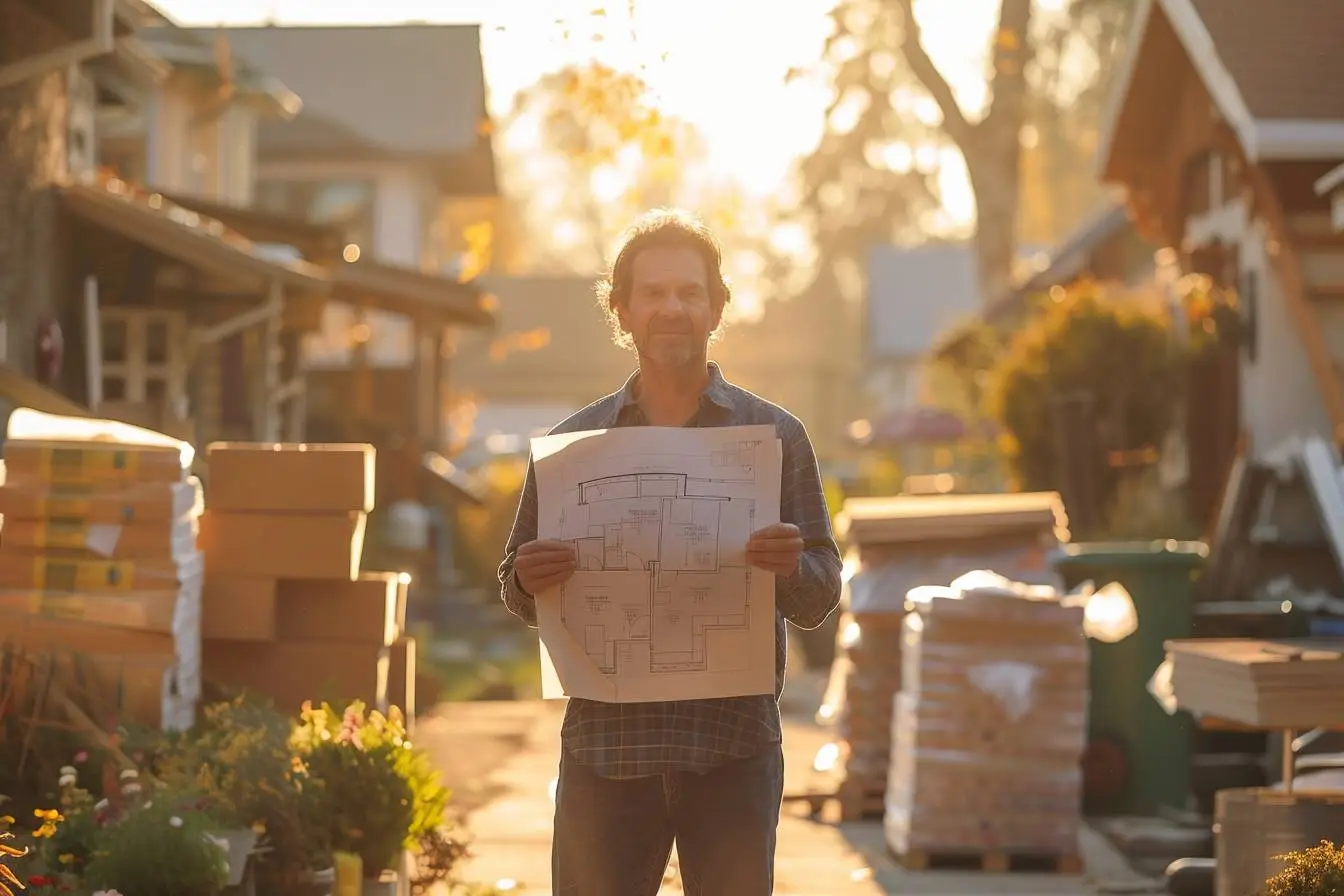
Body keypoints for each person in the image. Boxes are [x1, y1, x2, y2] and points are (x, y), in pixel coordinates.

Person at [498, 208, 843, 896]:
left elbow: (820, 595)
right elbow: (515, 584)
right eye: (652, 293)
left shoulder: (773, 437)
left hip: (731, 752)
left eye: (689, 292)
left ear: (717, 309)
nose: (671, 309)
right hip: (605, 754)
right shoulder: (574, 446)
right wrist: (528, 579)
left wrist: (788, 569)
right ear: (621, 312)